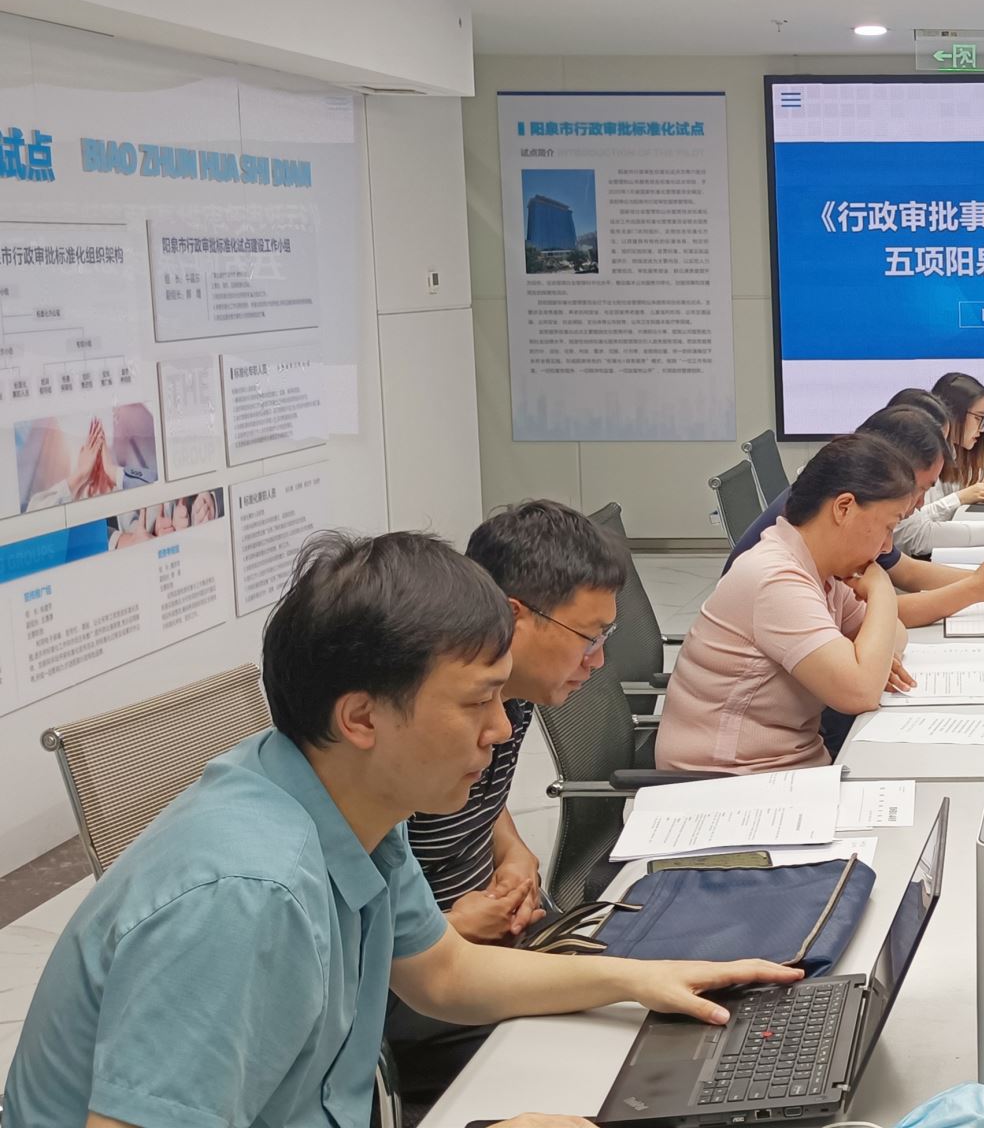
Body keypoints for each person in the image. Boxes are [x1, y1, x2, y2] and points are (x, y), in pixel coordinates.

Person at [3, 531, 800, 1128]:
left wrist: (639, 978)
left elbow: (445, 974)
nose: (500, 730)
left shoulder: (347, 798)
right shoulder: (246, 897)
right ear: (361, 718)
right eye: (475, 702)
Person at [408, 499, 632, 945]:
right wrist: (450, 928)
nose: (598, 660)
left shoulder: (516, 696)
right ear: (513, 617)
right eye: (589, 638)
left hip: (498, 934)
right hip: (439, 961)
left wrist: (511, 850)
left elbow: (481, 798)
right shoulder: (417, 726)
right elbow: (360, 933)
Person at [661, 434, 919, 773]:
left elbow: (896, 634)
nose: (887, 546)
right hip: (728, 779)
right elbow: (860, 693)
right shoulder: (775, 578)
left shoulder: (819, 570)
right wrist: (882, 589)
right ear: (844, 508)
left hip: (783, 769)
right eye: (888, 527)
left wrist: (873, 659)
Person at [723, 406, 984, 626]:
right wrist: (977, 587)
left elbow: (898, 580)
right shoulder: (828, 527)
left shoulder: (849, 509)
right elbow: (878, 621)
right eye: (918, 489)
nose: (917, 505)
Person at [884, 387, 984, 555]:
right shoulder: (891, 480)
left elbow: (902, 559)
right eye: (978, 418)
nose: (982, 428)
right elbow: (917, 535)